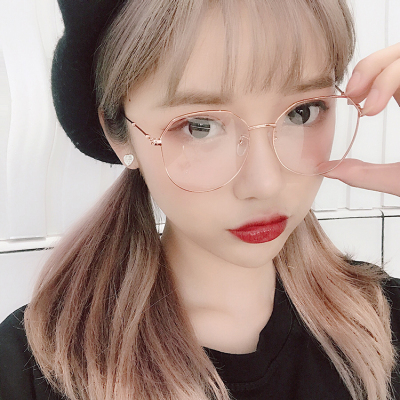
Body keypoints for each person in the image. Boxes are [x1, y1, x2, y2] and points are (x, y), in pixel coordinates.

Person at [0, 0, 400, 399]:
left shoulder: (387, 320)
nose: (265, 183)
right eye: (200, 126)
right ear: (119, 133)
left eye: (303, 112)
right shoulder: (30, 369)